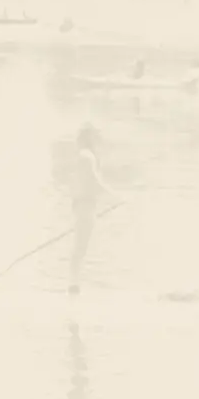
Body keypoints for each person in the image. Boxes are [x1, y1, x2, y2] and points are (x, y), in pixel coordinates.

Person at [65, 123, 111, 297]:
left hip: (84, 206)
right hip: (85, 206)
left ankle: (74, 286)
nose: (98, 140)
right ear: (89, 138)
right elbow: (94, 181)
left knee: (80, 249)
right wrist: (115, 196)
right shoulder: (87, 156)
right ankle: (73, 287)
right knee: (79, 249)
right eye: (95, 137)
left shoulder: (84, 156)